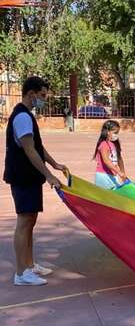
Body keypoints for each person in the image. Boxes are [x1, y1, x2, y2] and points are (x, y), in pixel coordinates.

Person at [4, 76, 68, 286]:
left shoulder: (27, 116)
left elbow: (38, 146)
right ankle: (21, 273)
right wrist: (49, 175)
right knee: (24, 222)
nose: (44, 99)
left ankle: (30, 264)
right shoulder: (22, 117)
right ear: (31, 94)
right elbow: (29, 150)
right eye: (42, 95)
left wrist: (54, 164)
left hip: (30, 176)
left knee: (30, 220)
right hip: (23, 176)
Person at [93, 120, 126, 189]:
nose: (116, 135)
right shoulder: (104, 145)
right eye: (115, 133)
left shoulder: (114, 144)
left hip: (112, 175)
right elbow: (106, 161)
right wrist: (119, 172)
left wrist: (123, 172)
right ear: (107, 132)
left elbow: (119, 159)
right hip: (104, 176)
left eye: (118, 133)